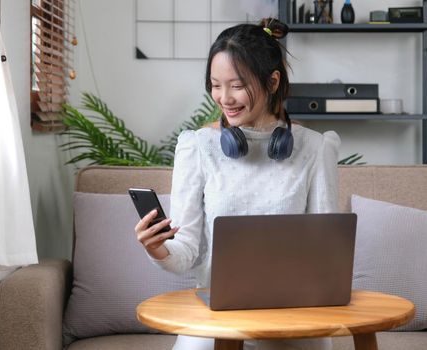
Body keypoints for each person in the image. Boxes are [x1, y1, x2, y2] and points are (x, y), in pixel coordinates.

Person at [134, 17, 339, 350]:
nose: (224, 98)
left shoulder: (315, 148)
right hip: (218, 317)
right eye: (216, 84)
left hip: (295, 317)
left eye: (237, 85)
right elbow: (185, 253)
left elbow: (329, 253)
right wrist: (157, 248)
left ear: (273, 82)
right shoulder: (197, 147)